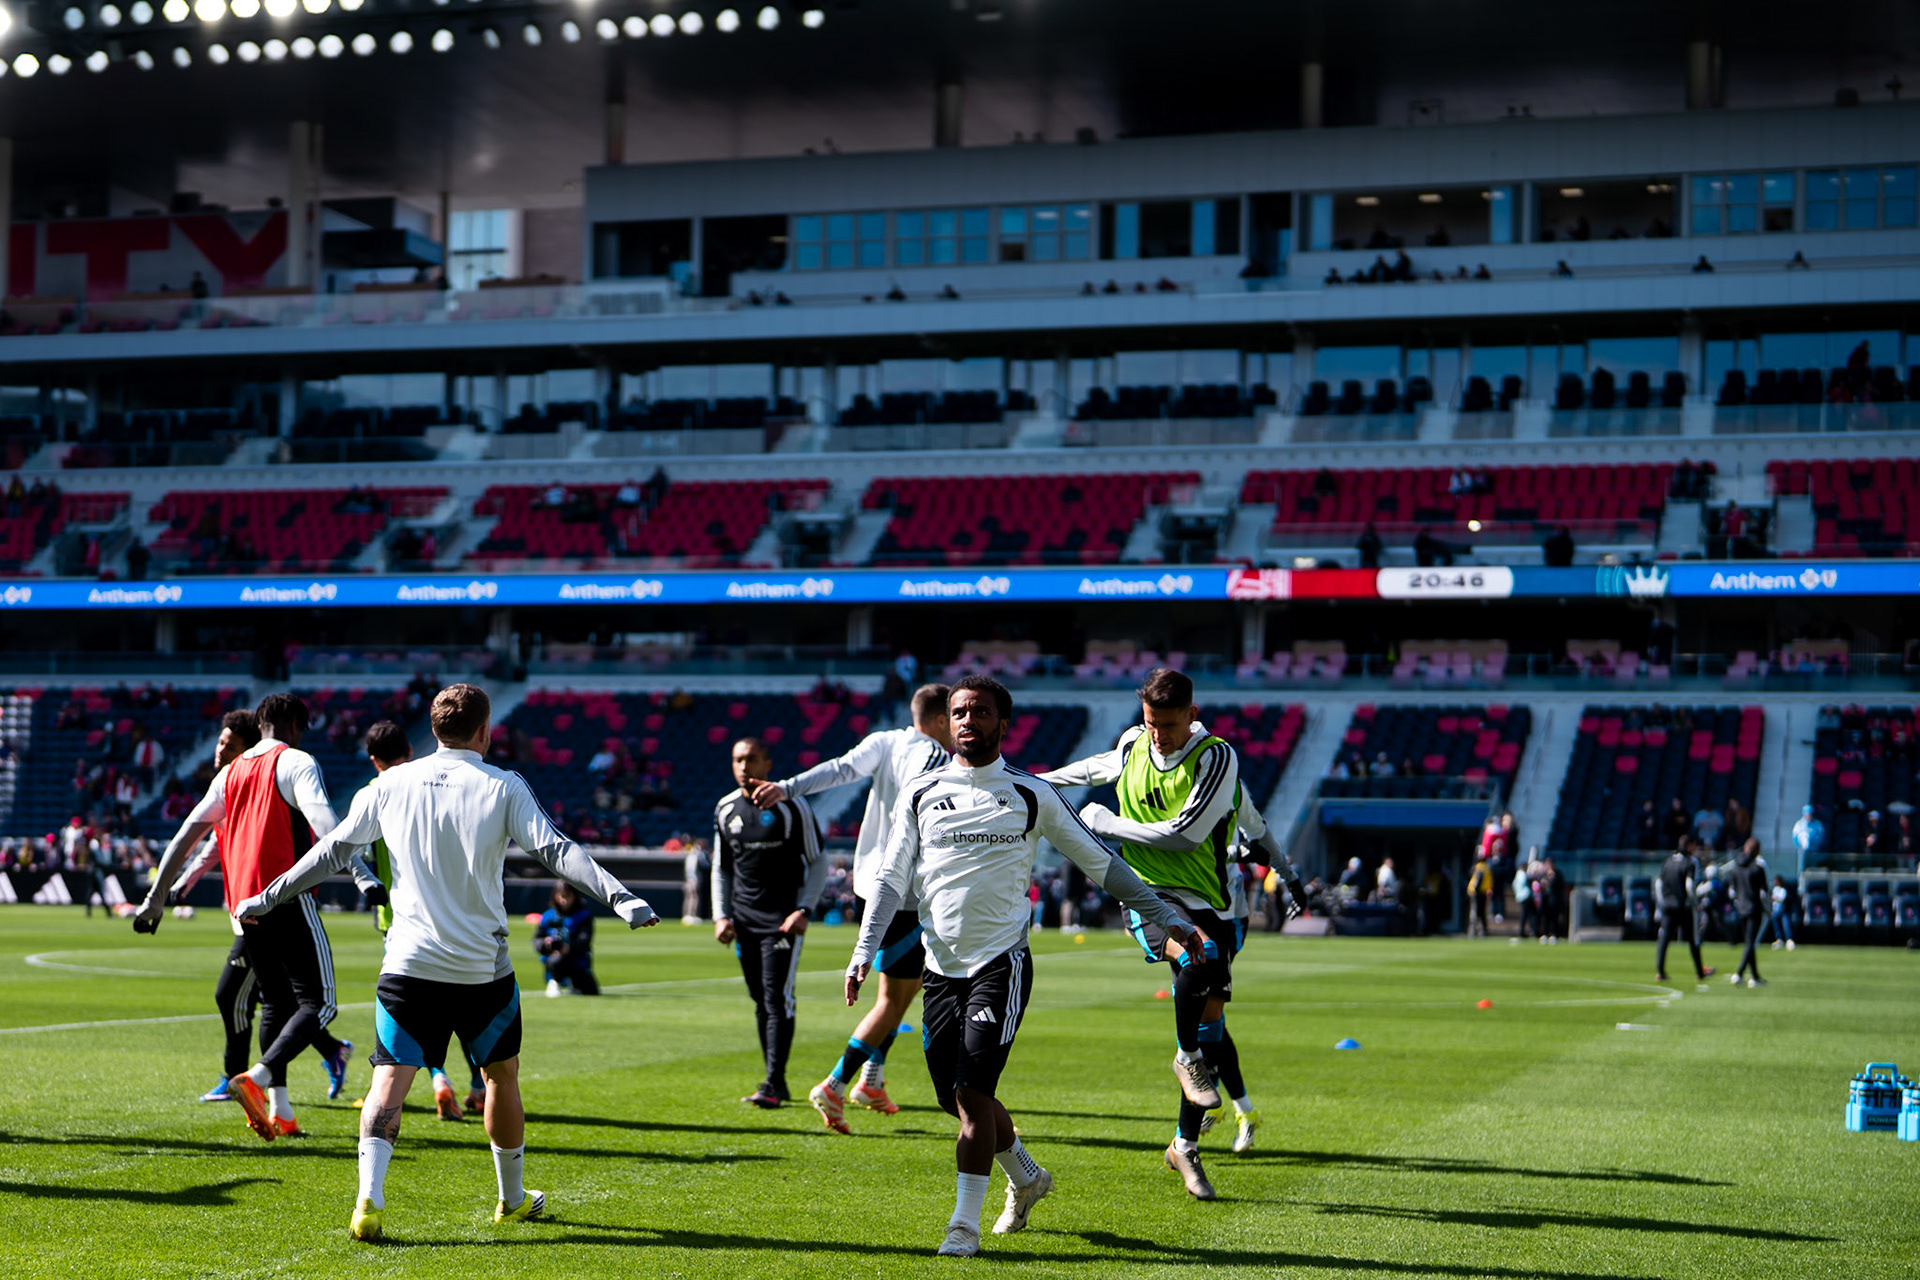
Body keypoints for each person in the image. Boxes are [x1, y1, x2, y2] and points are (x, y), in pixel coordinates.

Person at [233, 683, 661, 1242]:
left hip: (408, 965)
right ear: (485, 730)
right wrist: (622, 898)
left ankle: (368, 1200)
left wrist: (267, 896)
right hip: (482, 970)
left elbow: (333, 850)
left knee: (388, 1081)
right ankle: (511, 1198)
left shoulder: (388, 785)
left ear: (433, 730)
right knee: (500, 1075)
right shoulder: (503, 785)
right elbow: (556, 849)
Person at [845, 675, 1203, 1256]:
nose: (968, 720)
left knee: (971, 1093)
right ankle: (1027, 1176)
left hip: (1001, 963)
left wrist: (1167, 916)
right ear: (949, 722)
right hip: (941, 968)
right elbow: (890, 877)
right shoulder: (920, 791)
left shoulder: (1031, 793)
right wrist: (864, 949)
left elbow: (1101, 864)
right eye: (960, 712)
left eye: (981, 712)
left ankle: (963, 1226)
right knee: (954, 1098)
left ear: (1003, 724)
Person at [1047, 669, 1292, 1177]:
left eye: (1168, 724)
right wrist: (1038, 782)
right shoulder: (1135, 742)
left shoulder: (1216, 760)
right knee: (1199, 963)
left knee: (1211, 1014)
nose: (1157, 734)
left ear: (1192, 715)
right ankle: (1192, 1064)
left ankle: (1185, 1142)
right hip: (1145, 891)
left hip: (1214, 903)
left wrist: (1109, 823)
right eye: (1150, 722)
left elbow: (1191, 835)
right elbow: (1097, 767)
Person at [135, 693, 378, 1138]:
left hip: (245, 909)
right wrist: (361, 875)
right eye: (302, 728)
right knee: (320, 1004)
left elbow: (187, 835)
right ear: (291, 724)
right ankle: (258, 1077)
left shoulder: (229, 774)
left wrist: (155, 897)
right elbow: (327, 824)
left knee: (277, 1004)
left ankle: (282, 1112)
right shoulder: (295, 761)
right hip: (288, 898)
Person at [749, 683, 952, 1130]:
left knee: (906, 988)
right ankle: (836, 1084)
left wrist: (787, 787)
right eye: (955, 718)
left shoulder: (887, 740)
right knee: (893, 999)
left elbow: (839, 769)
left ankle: (872, 1079)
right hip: (903, 890)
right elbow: (916, 815)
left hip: (869, 881)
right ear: (941, 720)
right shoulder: (936, 757)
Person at [357, 718, 490, 1124]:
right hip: (458, 917)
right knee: (466, 1010)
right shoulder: (436, 785)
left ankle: (437, 1077)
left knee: (417, 1015)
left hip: (399, 921)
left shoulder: (374, 792)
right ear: (411, 750)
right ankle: (479, 1086)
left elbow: (348, 849)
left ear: (373, 759)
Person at [712, 736, 826, 1109]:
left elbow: (818, 860)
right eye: (737, 760)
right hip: (743, 921)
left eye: (751, 759)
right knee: (760, 999)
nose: (744, 767)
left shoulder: (793, 806)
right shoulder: (725, 808)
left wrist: (804, 909)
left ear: (767, 764)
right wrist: (721, 915)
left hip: (782, 921)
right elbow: (721, 868)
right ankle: (776, 1081)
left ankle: (773, 1082)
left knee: (778, 998)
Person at [168, 709, 267, 1103]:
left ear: (247, 750)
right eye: (221, 741)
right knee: (280, 1001)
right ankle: (331, 1052)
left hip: (258, 913)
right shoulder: (225, 786)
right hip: (245, 911)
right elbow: (214, 844)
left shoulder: (249, 787)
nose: (220, 749)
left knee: (231, 996)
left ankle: (237, 1077)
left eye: (230, 744)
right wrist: (185, 882)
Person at [1654, 838, 1714, 983]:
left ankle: (1660, 971)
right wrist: (1694, 903)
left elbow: (1658, 884)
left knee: (1664, 939)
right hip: (1684, 907)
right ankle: (1699, 972)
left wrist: (1662, 903)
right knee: (1693, 939)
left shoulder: (1668, 861)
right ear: (1689, 846)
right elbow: (1689, 886)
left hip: (1668, 907)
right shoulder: (1690, 862)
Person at [534, 883, 601, 997]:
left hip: (577, 960)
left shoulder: (583, 916)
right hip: (554, 960)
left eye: (567, 896)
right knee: (556, 961)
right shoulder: (547, 916)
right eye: (561, 896)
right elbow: (537, 940)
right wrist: (546, 944)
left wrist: (569, 948)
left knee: (591, 991)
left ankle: (574, 983)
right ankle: (555, 981)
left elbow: (584, 940)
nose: (564, 901)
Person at [1728, 838, 1769, 988]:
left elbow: (1732, 891)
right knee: (1751, 943)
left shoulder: (1735, 866)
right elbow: (1764, 891)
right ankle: (1739, 973)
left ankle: (1755, 976)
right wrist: (1768, 909)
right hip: (1754, 908)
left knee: (1749, 942)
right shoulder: (1758, 867)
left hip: (1741, 908)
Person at [1466, 847, 1492, 937]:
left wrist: (1475, 890)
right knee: (1482, 912)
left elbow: (1477, 880)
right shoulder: (1487, 867)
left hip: (1476, 893)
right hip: (1483, 892)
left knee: (1474, 912)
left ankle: (1473, 931)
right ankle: (1483, 930)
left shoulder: (1479, 867)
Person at [1769, 876, 1797, 950]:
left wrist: (1776, 898)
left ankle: (1789, 940)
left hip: (1783, 910)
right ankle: (1779, 939)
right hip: (1775, 910)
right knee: (1776, 925)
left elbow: (1782, 898)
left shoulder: (1783, 889)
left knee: (1786, 925)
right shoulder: (1775, 889)